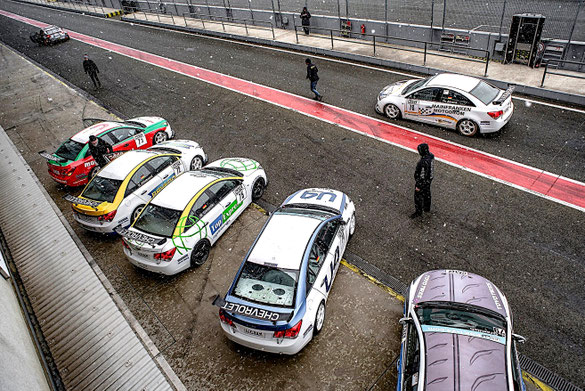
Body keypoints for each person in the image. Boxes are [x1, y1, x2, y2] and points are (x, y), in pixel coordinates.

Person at [411, 143, 434, 218]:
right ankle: (427, 207)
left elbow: (423, 174)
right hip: (429, 179)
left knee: (418, 196)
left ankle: (418, 211)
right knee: (427, 193)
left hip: (422, 181)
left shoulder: (423, 162)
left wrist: (418, 185)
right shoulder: (431, 157)